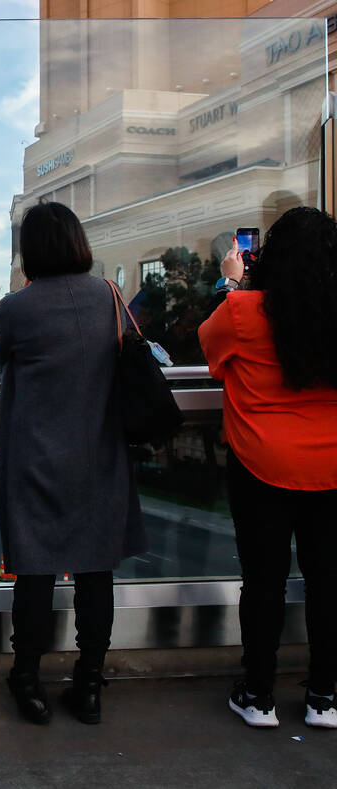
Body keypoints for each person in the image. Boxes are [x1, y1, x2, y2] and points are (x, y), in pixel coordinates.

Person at [0, 201, 145, 726]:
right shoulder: (108, 296)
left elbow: (0, 358)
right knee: (94, 575)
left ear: (30, 251)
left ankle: (28, 681)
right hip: (99, 456)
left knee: (34, 576)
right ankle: (89, 685)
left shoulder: (16, 307)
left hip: (35, 458)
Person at [198, 206, 337, 730]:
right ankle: (324, 697)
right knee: (329, 582)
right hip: (333, 466)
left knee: (264, 582)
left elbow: (208, 348)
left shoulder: (245, 311)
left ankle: (258, 696)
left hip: (262, 462)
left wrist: (230, 283)